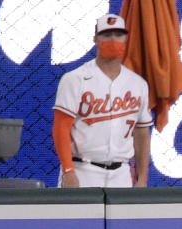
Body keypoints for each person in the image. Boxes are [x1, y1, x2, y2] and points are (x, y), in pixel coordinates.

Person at [52, 14, 152, 188]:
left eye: (118, 34)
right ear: (95, 39)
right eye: (106, 35)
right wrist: (69, 172)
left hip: (121, 174)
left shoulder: (138, 84)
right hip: (82, 170)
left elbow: (142, 132)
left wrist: (142, 178)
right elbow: (61, 128)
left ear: (126, 38)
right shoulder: (76, 79)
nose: (113, 40)